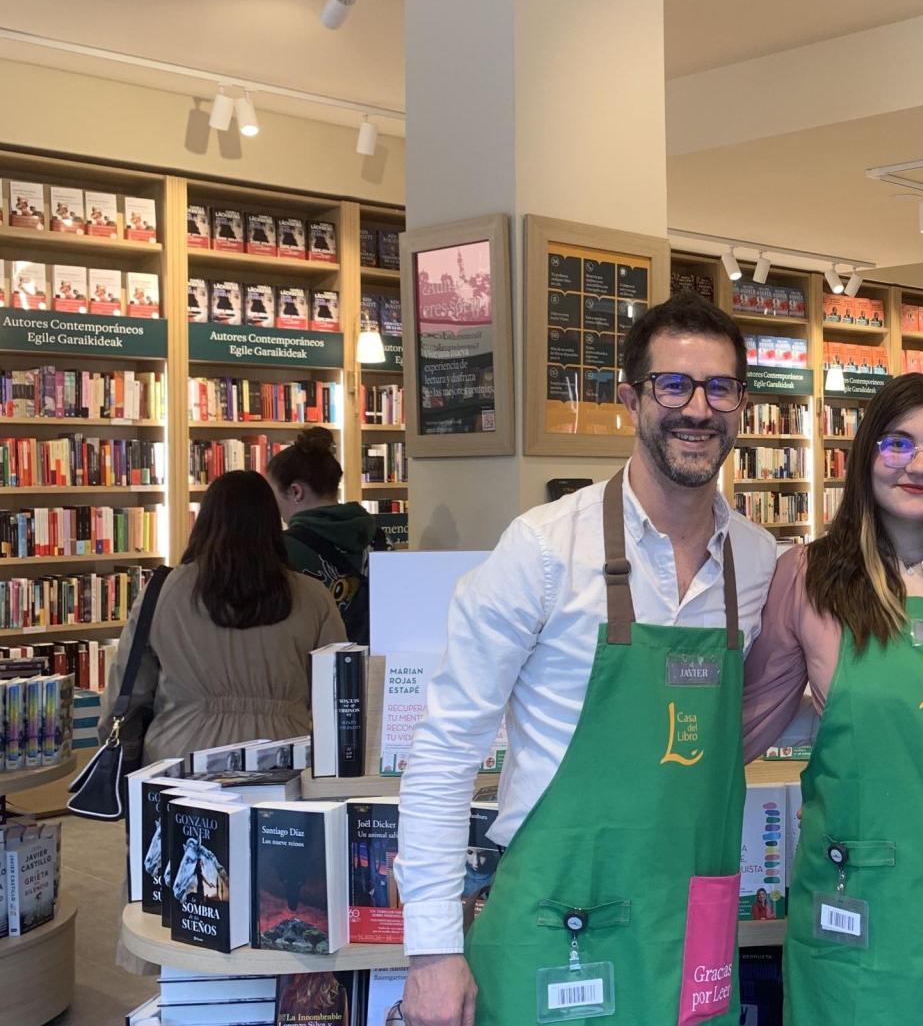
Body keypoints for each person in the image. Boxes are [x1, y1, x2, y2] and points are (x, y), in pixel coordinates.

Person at [396, 292, 777, 1026]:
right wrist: (433, 951)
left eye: (719, 387)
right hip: (555, 931)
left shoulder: (758, 564)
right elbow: (444, 753)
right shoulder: (542, 551)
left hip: (690, 939)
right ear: (631, 400)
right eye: (675, 385)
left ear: (741, 406)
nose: (698, 409)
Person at [743, 373, 923, 1022]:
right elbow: (738, 731)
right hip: (863, 916)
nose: (918, 466)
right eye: (897, 444)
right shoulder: (808, 576)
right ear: (865, 453)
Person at [108, 470, 344, 762]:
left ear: (205, 520)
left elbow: (128, 689)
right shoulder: (313, 596)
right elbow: (338, 695)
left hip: (178, 756)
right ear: (272, 523)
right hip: (285, 754)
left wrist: (127, 753)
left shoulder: (163, 591)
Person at [265, 427, 377, 644]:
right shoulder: (378, 535)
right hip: (379, 661)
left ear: (295, 492)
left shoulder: (282, 549)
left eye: (273, 494)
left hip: (319, 663)